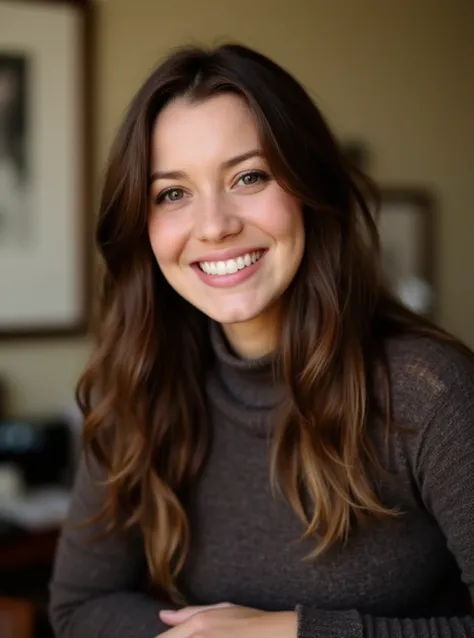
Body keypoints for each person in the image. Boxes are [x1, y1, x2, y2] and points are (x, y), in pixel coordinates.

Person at [49, 43, 474, 638]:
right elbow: (79, 607)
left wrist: (289, 632)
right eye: (172, 193)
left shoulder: (428, 391)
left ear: (307, 187)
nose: (215, 224)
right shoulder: (141, 384)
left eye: (249, 176)